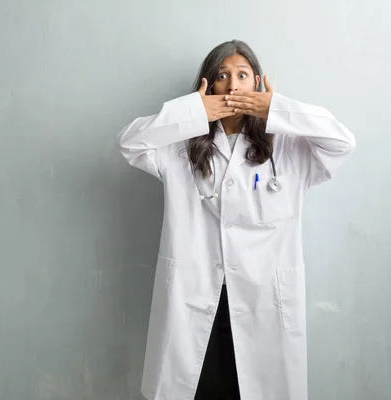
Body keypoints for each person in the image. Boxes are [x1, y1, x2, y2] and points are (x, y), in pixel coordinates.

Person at [116, 39, 355, 400]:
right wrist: (193, 113)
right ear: (207, 87)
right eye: (222, 76)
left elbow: (342, 142)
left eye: (242, 75)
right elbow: (130, 143)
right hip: (196, 298)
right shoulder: (179, 146)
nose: (232, 85)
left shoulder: (287, 149)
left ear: (257, 84)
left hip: (263, 300)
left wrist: (278, 109)